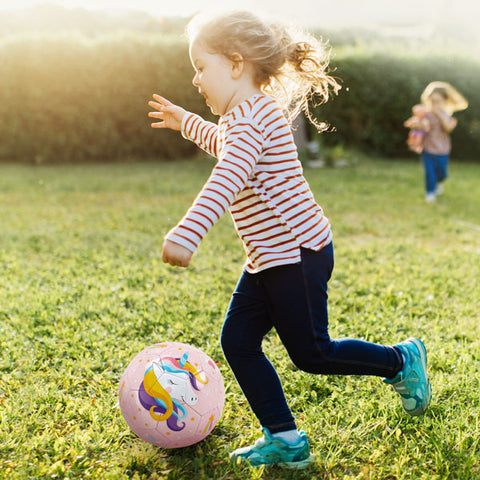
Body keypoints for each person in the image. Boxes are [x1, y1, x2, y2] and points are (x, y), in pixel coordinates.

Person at [148, 10, 431, 469]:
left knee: (312, 353)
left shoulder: (253, 116)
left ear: (236, 63)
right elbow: (229, 147)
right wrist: (187, 122)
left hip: (296, 255)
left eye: (201, 66)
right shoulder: (247, 114)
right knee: (238, 341)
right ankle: (284, 438)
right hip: (270, 257)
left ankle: (399, 360)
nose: (196, 79)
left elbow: (229, 175)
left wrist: (188, 232)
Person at [408, 81, 468, 203]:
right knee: (430, 173)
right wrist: (417, 125)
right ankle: (430, 193)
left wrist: (439, 113)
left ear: (445, 102)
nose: (435, 105)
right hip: (428, 149)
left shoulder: (447, 117)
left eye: (438, 102)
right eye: (432, 102)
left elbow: (448, 128)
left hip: (442, 150)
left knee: (442, 173)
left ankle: (439, 182)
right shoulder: (426, 115)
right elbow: (420, 125)